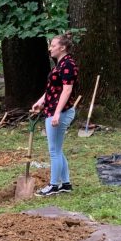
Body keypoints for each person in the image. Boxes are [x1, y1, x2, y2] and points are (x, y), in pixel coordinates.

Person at [30, 33, 78, 196]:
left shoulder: (68, 65)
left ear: (62, 47)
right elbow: (53, 88)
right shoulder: (60, 64)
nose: (50, 48)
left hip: (61, 112)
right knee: (57, 149)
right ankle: (66, 183)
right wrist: (41, 101)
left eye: (53, 45)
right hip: (52, 109)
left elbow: (67, 90)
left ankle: (54, 185)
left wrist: (57, 113)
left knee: (54, 151)